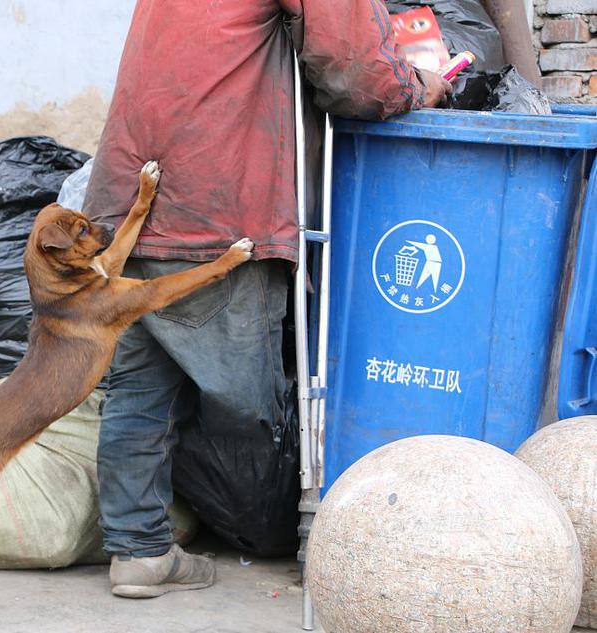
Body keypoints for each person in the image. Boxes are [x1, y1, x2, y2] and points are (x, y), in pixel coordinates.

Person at [81, 0, 452, 599]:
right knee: (246, 394)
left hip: (129, 198)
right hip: (219, 200)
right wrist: (423, 86)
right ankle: (277, 531)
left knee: (140, 387)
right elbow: (358, 75)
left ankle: (138, 548)